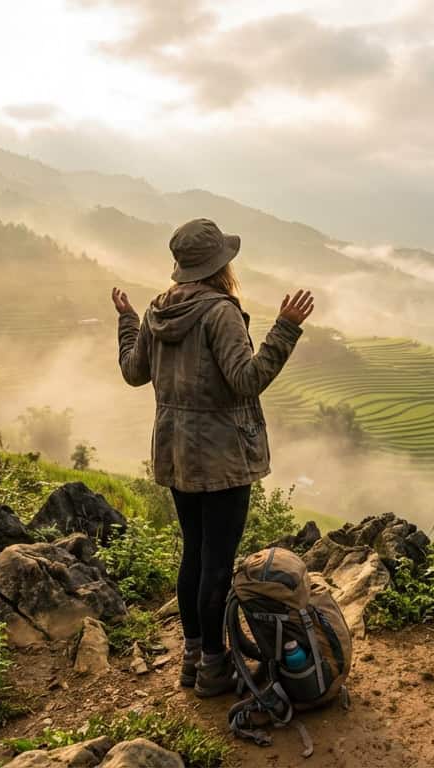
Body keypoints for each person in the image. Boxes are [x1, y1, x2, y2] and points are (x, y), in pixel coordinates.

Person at [113, 218, 314, 697]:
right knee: (217, 565)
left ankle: (193, 659)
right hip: (222, 457)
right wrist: (285, 328)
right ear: (220, 264)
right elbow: (247, 379)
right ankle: (213, 668)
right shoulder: (220, 313)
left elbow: (131, 372)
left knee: (195, 556)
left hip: (176, 453)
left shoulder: (157, 310)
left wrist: (125, 318)